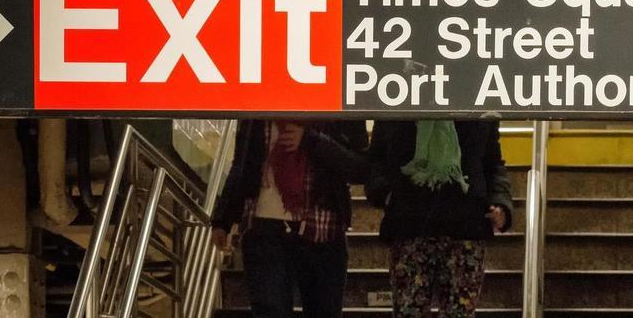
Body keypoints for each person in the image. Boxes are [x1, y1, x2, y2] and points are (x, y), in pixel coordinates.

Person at [211, 120, 368, 318]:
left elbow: (360, 168)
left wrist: (311, 139)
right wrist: (222, 220)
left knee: (324, 311)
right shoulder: (257, 107)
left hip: (323, 228)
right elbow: (241, 163)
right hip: (264, 226)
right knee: (269, 310)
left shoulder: (336, 105)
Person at [367, 120, 512, 318]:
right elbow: (377, 159)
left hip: (463, 226)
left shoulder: (478, 107)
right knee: (409, 311)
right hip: (412, 224)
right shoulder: (398, 104)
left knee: (458, 313)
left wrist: (500, 202)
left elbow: (492, 162)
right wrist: (384, 193)